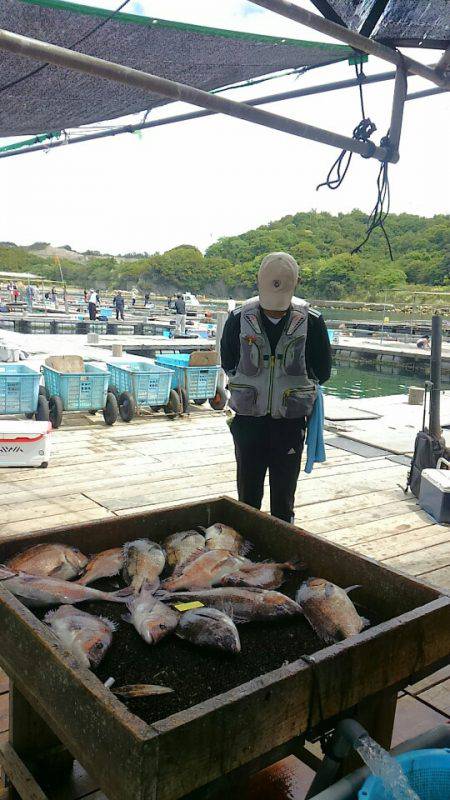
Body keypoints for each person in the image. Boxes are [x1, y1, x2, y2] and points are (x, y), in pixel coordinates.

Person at [221, 251, 331, 524]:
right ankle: (247, 554)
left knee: (283, 502)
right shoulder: (237, 318)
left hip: (289, 424)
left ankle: (281, 556)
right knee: (248, 500)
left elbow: (322, 372)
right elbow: (228, 363)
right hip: (248, 423)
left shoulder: (313, 321)